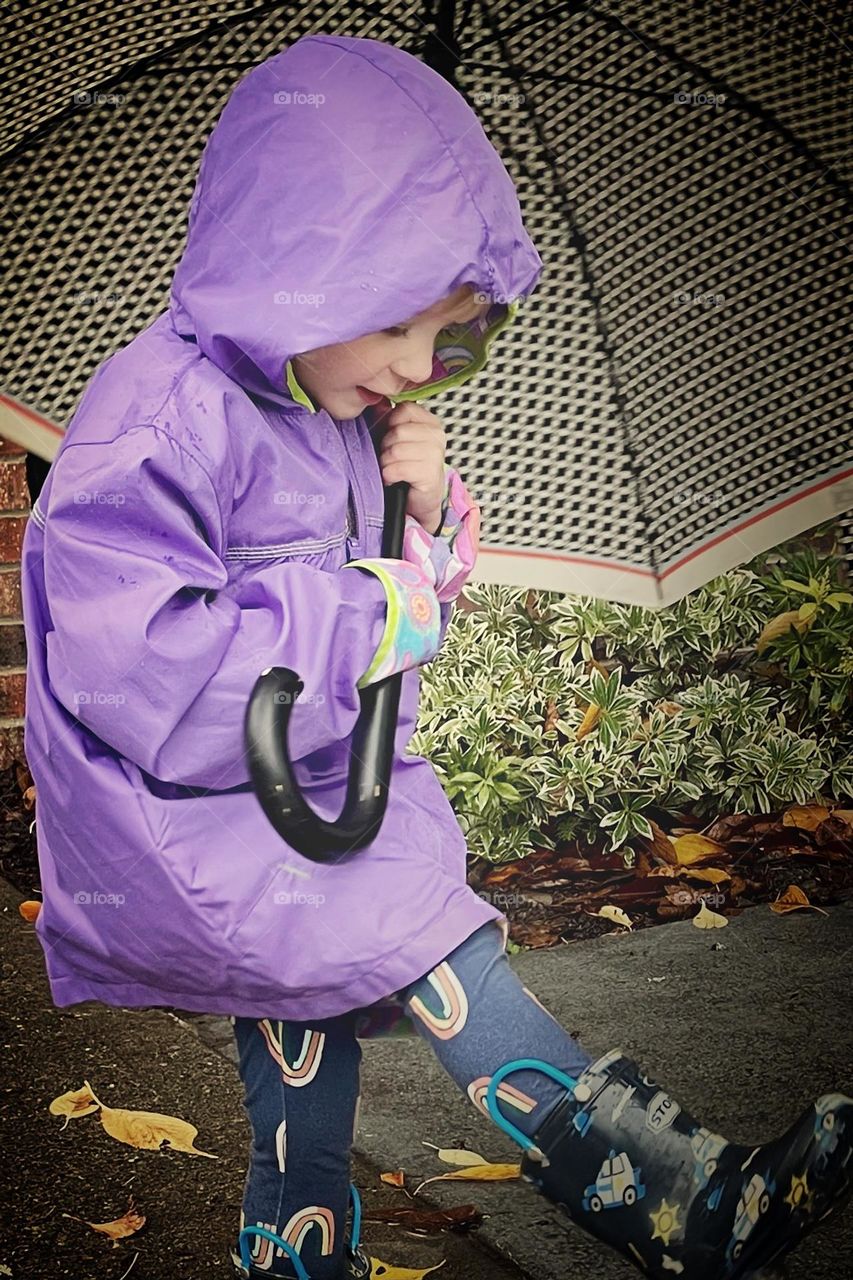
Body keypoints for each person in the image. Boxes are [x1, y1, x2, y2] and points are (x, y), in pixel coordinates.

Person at [20, 33, 851, 1280]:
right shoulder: (155, 421)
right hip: (202, 811)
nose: (420, 365)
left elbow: (396, 591)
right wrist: (374, 607)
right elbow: (149, 668)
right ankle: (679, 1203)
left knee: (305, 1038)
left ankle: (293, 1252)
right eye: (391, 323)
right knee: (432, 943)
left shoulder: (342, 405)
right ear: (287, 277)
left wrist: (420, 508)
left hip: (318, 790)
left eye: (449, 329)